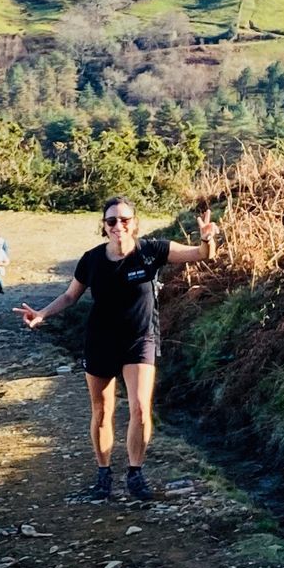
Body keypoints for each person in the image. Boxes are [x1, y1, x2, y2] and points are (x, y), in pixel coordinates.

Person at [19, 196, 219, 501]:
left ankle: (135, 474)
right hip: (100, 341)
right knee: (102, 411)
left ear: (135, 224)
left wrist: (207, 238)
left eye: (124, 220)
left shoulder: (152, 251)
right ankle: (103, 475)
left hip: (141, 339)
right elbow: (71, 296)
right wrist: (42, 314)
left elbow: (201, 254)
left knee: (140, 408)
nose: (118, 226)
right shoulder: (92, 260)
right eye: (111, 221)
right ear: (104, 226)